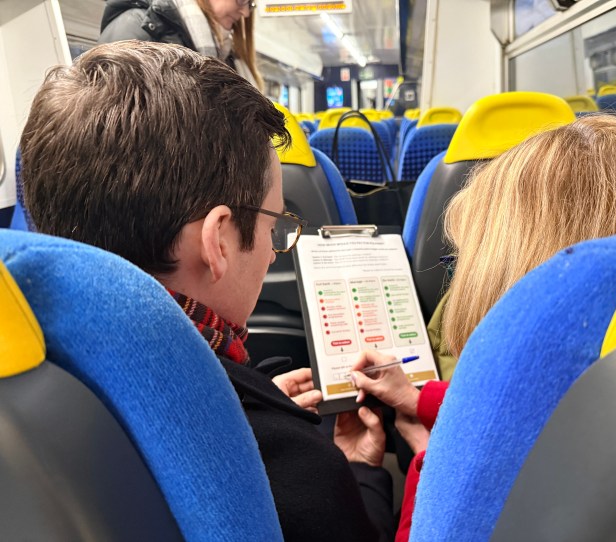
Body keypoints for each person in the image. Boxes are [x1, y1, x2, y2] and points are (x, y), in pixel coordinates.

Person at [21, 40, 392, 542]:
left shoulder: (31, 374)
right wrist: (359, 472)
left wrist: (236, 403)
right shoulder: (297, 473)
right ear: (217, 241)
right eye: (275, 226)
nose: (273, 251)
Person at [349, 113, 616, 541]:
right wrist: (421, 400)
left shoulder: (491, 486)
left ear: (502, 279)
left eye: (460, 266)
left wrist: (433, 463)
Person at [98, 0, 263, 90]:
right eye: (241, 1)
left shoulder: (226, 54)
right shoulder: (137, 27)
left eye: (250, 4)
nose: (245, 13)